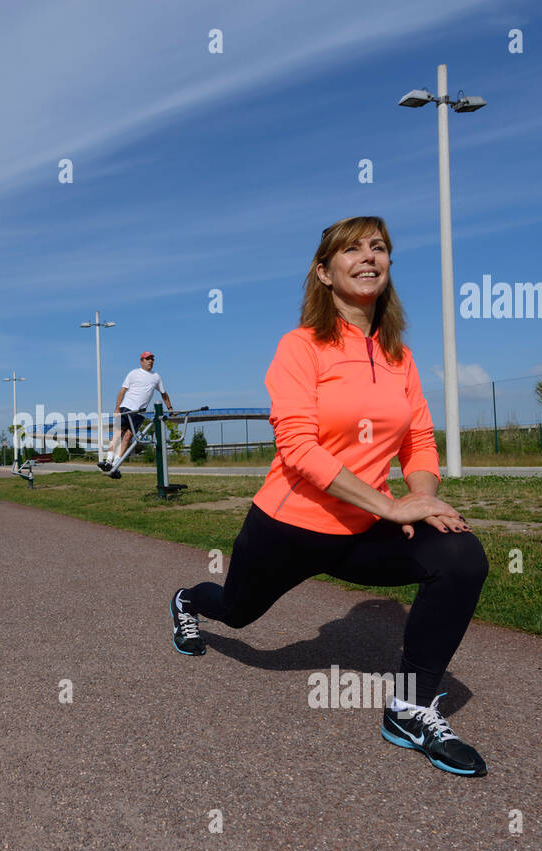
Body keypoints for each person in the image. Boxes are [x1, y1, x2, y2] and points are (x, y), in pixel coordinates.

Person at [168, 216, 490, 777]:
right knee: (239, 615)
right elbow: (298, 448)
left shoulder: (400, 357)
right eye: (352, 250)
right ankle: (188, 602)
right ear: (324, 272)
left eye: (379, 248)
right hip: (290, 527)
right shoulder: (300, 348)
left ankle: (410, 709)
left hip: (363, 532)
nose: (369, 257)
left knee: (460, 554)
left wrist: (422, 499)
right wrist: (389, 504)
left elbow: (418, 441)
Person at [98, 351, 175, 478]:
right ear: (141, 361)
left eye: (152, 359)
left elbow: (163, 394)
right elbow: (122, 390)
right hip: (126, 408)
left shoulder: (156, 377)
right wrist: (117, 407)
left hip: (139, 413)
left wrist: (170, 408)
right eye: (147, 358)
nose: (150, 361)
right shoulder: (133, 373)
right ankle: (108, 461)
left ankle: (116, 464)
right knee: (118, 433)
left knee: (128, 437)